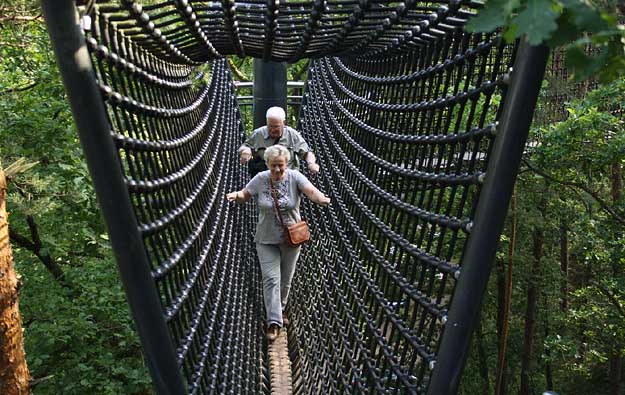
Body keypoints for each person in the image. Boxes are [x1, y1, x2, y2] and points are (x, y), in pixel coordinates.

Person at [226, 145, 331, 341]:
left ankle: (279, 310)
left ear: (287, 164)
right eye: (273, 165)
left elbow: (310, 191)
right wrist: (236, 196)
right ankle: (274, 322)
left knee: (285, 281)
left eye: (280, 165)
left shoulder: (294, 177)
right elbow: (245, 194)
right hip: (266, 239)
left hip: (291, 238)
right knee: (271, 279)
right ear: (267, 164)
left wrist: (321, 199)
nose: (277, 170)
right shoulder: (260, 179)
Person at [238, 106, 320, 177]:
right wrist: (245, 151)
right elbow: (244, 146)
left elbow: (307, 153)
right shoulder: (258, 134)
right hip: (264, 179)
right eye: (270, 126)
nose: (273, 130)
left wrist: (311, 163)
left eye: (276, 126)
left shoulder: (292, 135)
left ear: (283, 123)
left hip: (288, 178)